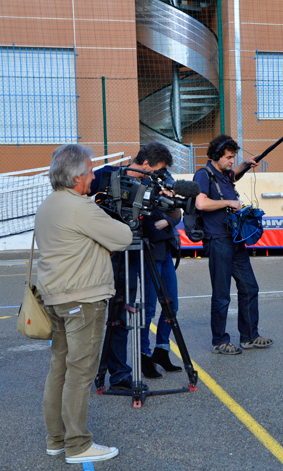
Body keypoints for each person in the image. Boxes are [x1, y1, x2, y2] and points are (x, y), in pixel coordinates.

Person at [35, 144, 132, 464]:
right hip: (84, 300)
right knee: (80, 373)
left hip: (57, 299)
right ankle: (78, 444)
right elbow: (123, 237)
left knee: (60, 369)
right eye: (89, 171)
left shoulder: (49, 204)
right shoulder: (81, 208)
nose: (93, 176)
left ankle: (56, 439)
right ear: (77, 178)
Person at [89, 142, 181, 387]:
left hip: (135, 253)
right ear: (146, 164)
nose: (157, 176)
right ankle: (92, 371)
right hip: (106, 255)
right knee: (104, 317)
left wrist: (170, 205)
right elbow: (78, 199)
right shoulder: (107, 175)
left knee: (123, 314)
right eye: (156, 170)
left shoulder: (152, 184)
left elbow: (174, 213)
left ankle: (120, 375)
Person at [193, 134, 273, 355]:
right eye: (229, 157)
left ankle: (249, 337)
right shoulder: (203, 175)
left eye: (233, 157)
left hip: (234, 239)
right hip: (218, 240)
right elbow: (200, 203)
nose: (231, 161)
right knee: (222, 294)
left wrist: (245, 164)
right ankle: (219, 340)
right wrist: (229, 202)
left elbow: (234, 174)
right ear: (216, 156)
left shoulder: (225, 175)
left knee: (249, 287)